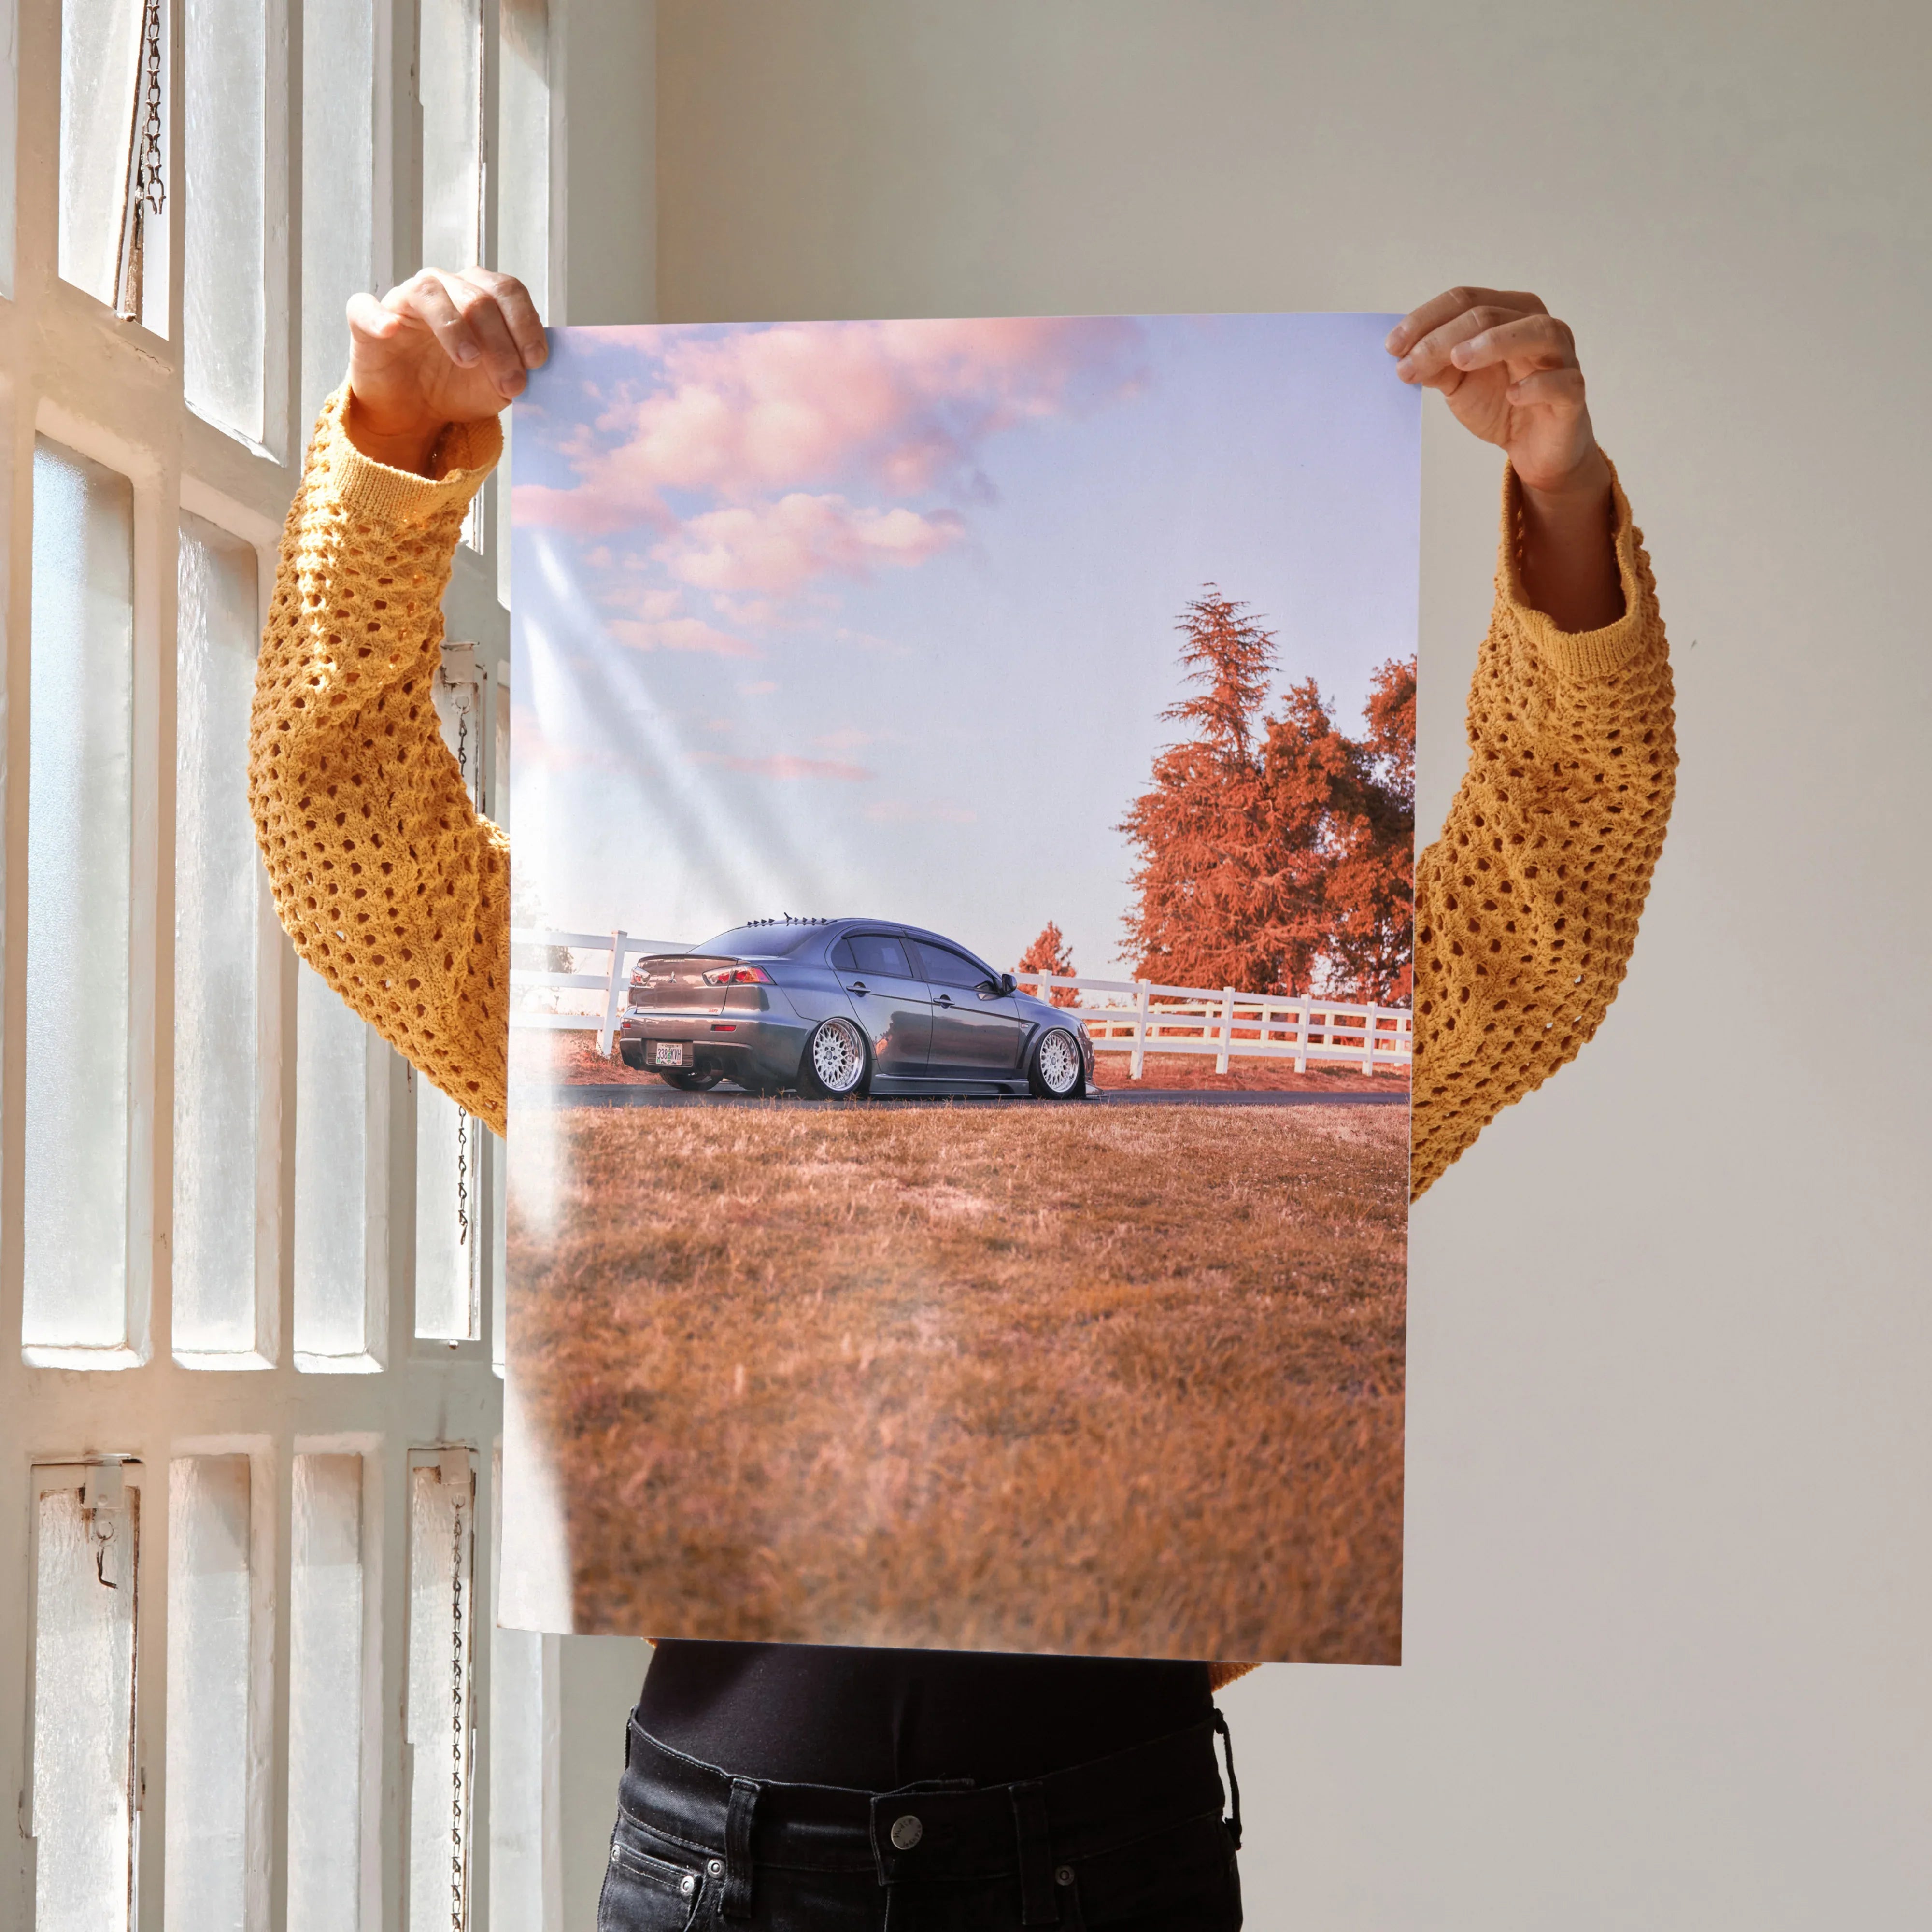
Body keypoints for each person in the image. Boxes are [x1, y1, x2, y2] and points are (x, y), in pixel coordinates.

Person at [250, 270, 1674, 1930]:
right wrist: (393, 444)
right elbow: (347, 839)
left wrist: (1562, 499)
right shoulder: (636, 1107)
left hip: (1106, 1855)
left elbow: (1543, 915)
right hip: (727, 1870)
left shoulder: (1206, 1123)